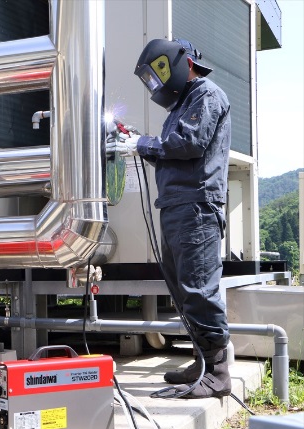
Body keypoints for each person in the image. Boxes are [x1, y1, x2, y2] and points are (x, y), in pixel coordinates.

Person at [108, 38, 232, 399]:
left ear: (182, 63)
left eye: (157, 73)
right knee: (182, 289)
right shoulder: (182, 106)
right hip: (177, 206)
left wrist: (143, 144)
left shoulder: (206, 94)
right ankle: (202, 361)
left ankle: (218, 372)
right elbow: (172, 151)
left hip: (196, 207)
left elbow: (189, 144)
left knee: (198, 289)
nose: (156, 83)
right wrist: (138, 142)